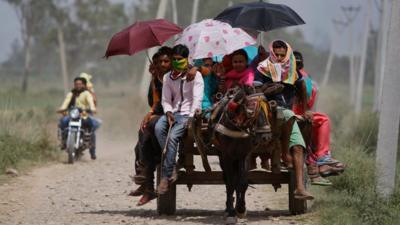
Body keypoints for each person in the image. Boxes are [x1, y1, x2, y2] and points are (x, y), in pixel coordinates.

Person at [257, 40, 313, 200]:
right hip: (266, 111)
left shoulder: (292, 69)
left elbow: (302, 85)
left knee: (298, 147)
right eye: (277, 54)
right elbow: (255, 89)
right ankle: (283, 154)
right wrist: (269, 89)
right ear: (271, 53)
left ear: (287, 54)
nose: (280, 58)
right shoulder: (263, 67)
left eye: (283, 55)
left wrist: (307, 109)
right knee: (287, 115)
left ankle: (300, 188)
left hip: (287, 112)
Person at [155, 44, 204, 194]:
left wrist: (190, 118)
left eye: (180, 59)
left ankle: (166, 175)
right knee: (158, 128)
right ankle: (173, 163)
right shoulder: (167, 77)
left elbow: (197, 99)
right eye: (174, 59)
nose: (176, 62)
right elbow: (165, 100)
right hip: (173, 113)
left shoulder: (196, 75)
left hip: (188, 115)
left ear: (186, 59)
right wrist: (168, 112)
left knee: (173, 137)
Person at [292, 51, 345, 186]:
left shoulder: (305, 79)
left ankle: (321, 157)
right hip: (285, 113)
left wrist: (306, 108)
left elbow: (309, 102)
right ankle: (317, 161)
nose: (297, 63)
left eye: (299, 61)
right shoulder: (279, 74)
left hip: (302, 113)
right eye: (294, 61)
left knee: (322, 120)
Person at [130, 47, 174, 205]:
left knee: (148, 129)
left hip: (174, 115)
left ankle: (146, 183)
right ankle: (145, 182)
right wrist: (150, 113)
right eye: (159, 62)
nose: (162, 64)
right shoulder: (156, 80)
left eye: (166, 61)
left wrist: (154, 114)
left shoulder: (177, 77)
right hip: (160, 113)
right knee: (142, 137)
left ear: (172, 62)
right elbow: (154, 103)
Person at [57, 77, 99, 159]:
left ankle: (92, 150)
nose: (78, 86)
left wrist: (92, 109)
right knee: (63, 122)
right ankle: (63, 141)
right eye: (76, 84)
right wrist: (62, 109)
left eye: (80, 84)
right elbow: (66, 102)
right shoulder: (71, 93)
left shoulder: (87, 94)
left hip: (84, 114)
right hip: (72, 114)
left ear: (83, 85)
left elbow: (90, 102)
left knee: (91, 126)